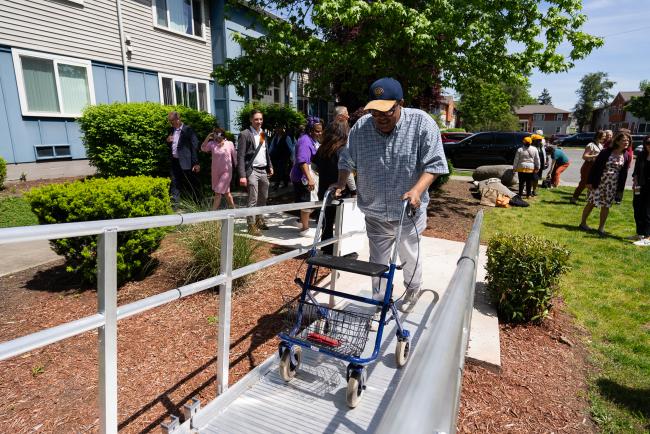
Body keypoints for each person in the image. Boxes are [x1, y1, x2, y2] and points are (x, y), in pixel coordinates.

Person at [333, 77, 449, 315]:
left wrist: (417, 190)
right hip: (374, 211)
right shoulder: (362, 127)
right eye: (375, 112)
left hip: (408, 211)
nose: (380, 118)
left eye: (386, 112)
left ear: (401, 104)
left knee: (409, 255)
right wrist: (341, 182)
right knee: (377, 262)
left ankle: (412, 289)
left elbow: (435, 164)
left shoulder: (421, 124)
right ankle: (379, 298)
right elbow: (347, 159)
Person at [312, 120, 355, 254]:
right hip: (340, 192)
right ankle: (342, 250)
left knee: (327, 222)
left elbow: (314, 167)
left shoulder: (322, 148)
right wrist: (354, 191)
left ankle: (326, 248)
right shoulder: (343, 149)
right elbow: (348, 174)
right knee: (343, 223)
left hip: (325, 190)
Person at [579, 131, 632, 237]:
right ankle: (583, 223)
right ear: (617, 141)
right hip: (599, 181)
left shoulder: (626, 155)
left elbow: (624, 173)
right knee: (591, 202)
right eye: (624, 140)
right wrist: (589, 181)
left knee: (606, 205)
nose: (626, 142)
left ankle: (601, 227)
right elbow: (595, 167)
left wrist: (620, 189)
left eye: (628, 140)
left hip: (612, 184)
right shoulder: (606, 152)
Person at [237, 109, 274, 235]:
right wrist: (242, 175)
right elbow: (240, 156)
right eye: (256, 119)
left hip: (263, 170)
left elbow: (265, 151)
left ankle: (260, 220)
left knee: (264, 197)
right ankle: (251, 225)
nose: (259, 122)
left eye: (261, 119)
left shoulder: (263, 133)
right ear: (251, 120)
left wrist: (270, 165)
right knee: (253, 198)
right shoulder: (245, 134)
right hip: (251, 170)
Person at [290, 117, 323, 236]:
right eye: (317, 131)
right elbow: (302, 161)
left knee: (310, 201)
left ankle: (301, 222)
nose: (320, 133)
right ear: (310, 130)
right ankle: (304, 228)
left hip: (309, 174)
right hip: (303, 176)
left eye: (320, 131)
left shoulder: (312, 140)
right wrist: (309, 178)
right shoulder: (305, 141)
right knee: (307, 202)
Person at [166, 111, 201, 206]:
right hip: (174, 161)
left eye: (172, 121)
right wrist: (168, 141)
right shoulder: (171, 130)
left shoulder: (188, 130)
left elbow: (194, 146)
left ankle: (197, 204)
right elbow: (170, 144)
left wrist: (195, 163)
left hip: (187, 162)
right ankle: (175, 205)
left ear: (178, 119)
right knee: (174, 183)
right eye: (170, 121)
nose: (171, 123)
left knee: (191, 183)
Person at [201, 128, 237, 210]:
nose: (217, 136)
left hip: (227, 172)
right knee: (227, 193)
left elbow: (235, 157)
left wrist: (239, 171)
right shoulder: (212, 144)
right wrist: (208, 136)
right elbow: (203, 148)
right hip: (216, 172)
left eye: (218, 134)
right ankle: (234, 209)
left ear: (222, 134)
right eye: (215, 134)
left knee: (217, 193)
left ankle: (212, 214)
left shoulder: (229, 143)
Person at [570, 131, 605, 204]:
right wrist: (596, 156)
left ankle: (590, 200)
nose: (605, 137)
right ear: (599, 136)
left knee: (593, 184)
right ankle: (574, 198)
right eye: (603, 136)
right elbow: (584, 156)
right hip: (588, 166)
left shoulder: (601, 145)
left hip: (595, 166)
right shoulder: (591, 145)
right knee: (583, 183)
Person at [631, 136, 650, 244]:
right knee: (637, 208)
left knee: (647, 211)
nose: (649, 145)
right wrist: (635, 181)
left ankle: (648, 237)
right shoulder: (641, 155)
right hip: (640, 186)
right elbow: (636, 170)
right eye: (647, 143)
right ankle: (640, 233)